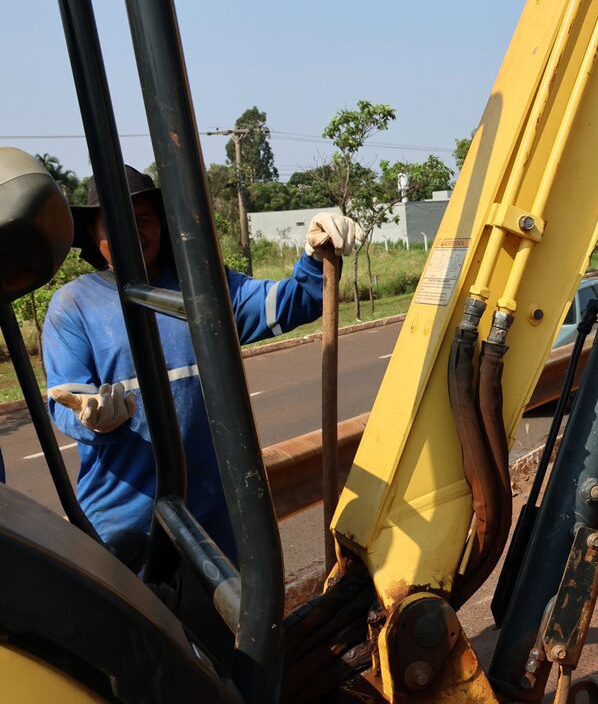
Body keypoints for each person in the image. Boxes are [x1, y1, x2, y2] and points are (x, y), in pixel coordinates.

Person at [43, 166, 362, 569]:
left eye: (144, 220)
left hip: (215, 514)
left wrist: (316, 257)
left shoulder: (205, 290)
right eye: (116, 223)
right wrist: (93, 418)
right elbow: (65, 399)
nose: (132, 232)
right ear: (93, 233)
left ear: (161, 226)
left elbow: (290, 301)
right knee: (140, 631)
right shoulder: (72, 306)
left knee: (232, 626)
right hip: (125, 521)